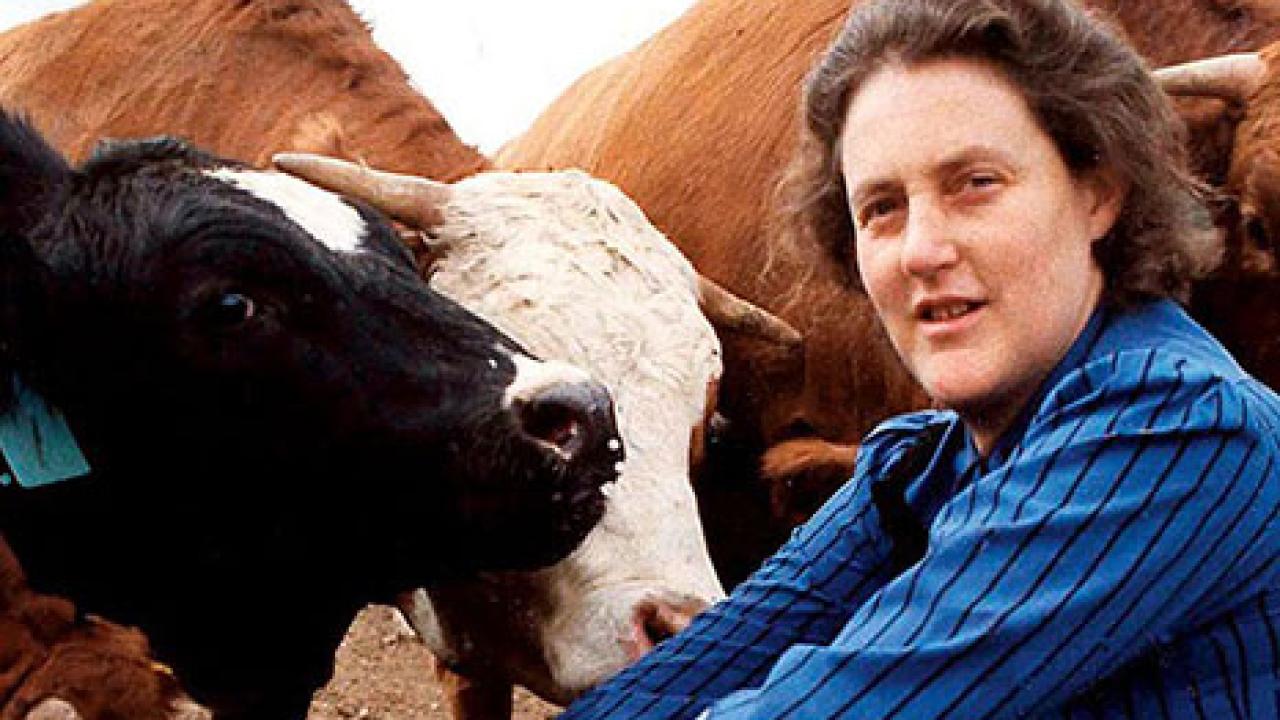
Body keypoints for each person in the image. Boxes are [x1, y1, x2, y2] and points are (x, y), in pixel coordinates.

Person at [561, 0, 1280, 717]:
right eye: (880, 208)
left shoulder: (1185, 427)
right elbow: (676, 681)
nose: (922, 251)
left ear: (1099, 193)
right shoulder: (922, 468)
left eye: (976, 184)